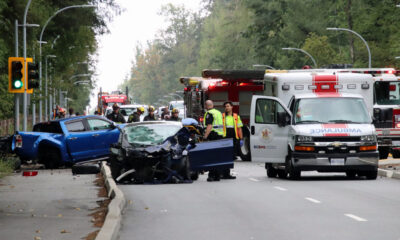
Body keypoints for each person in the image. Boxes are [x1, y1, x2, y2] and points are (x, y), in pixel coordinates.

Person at [221, 101, 244, 179]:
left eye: (228, 106)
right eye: (225, 106)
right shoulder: (222, 116)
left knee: (231, 157)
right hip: (225, 138)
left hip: (233, 138)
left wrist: (241, 139)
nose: (226, 108)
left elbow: (239, 128)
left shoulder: (236, 116)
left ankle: (226, 173)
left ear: (232, 107)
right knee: (224, 156)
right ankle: (224, 173)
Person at [203, 100, 224, 182]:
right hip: (220, 136)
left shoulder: (209, 113)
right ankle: (217, 175)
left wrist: (205, 136)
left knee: (211, 157)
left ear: (206, 106)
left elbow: (209, 125)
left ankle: (211, 176)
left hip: (213, 136)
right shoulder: (218, 112)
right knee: (217, 157)